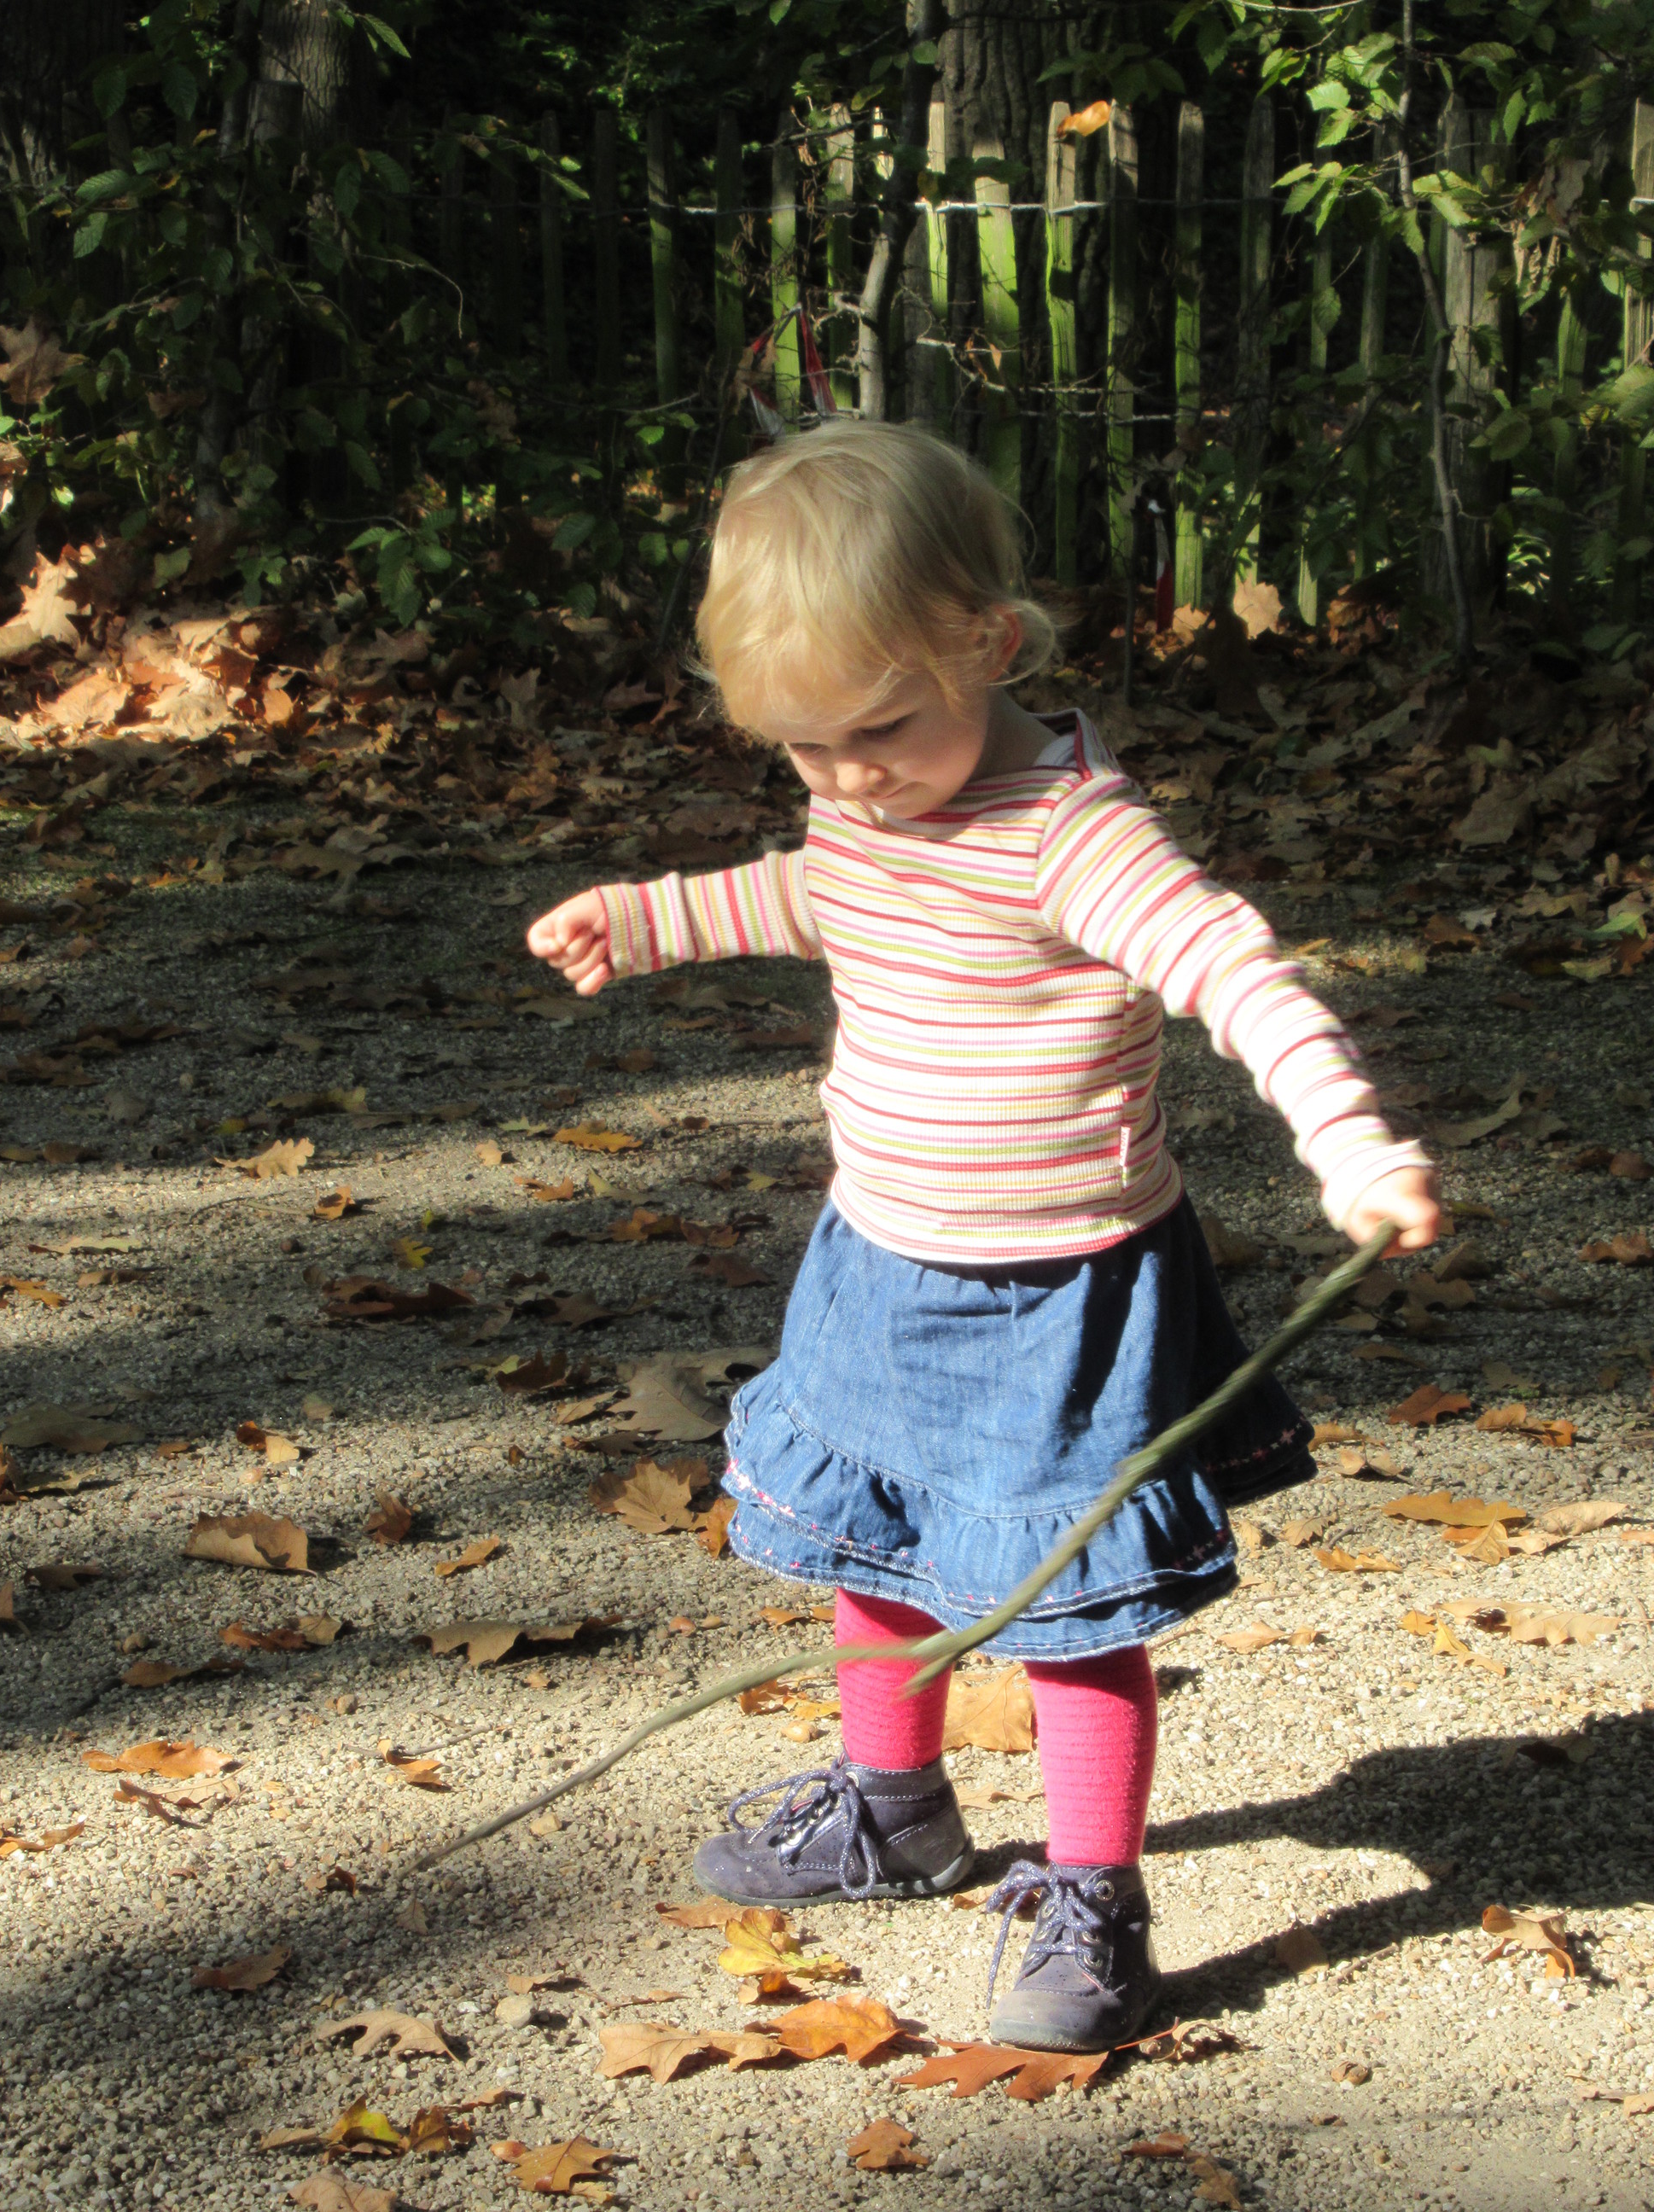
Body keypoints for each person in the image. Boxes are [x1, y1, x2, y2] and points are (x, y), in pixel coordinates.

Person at [527, 420, 1440, 2054]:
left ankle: (1095, 1898)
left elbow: (1236, 970)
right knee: (873, 1547)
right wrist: (649, 917)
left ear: (991, 644)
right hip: (879, 1259)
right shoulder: (866, 805)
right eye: (805, 751)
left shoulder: (1073, 834)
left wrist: (1349, 1141)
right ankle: (893, 1810)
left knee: (1064, 1605)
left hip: (1059, 1297)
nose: (848, 781)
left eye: (877, 732)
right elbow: (812, 893)